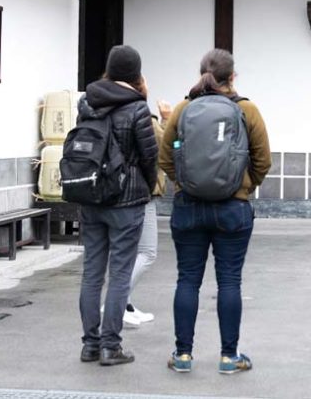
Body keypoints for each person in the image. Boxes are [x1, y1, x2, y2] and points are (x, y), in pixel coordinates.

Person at [159, 48, 271, 375]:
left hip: (189, 207)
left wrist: (185, 183)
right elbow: (264, 160)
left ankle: (182, 355)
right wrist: (242, 187)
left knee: (188, 279)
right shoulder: (247, 110)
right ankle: (228, 357)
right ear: (233, 77)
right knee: (230, 281)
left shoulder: (183, 108)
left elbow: (165, 158)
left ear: (201, 75)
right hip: (233, 209)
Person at [76, 45, 158, 366]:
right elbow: (149, 157)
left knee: (91, 273)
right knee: (120, 273)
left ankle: (89, 345)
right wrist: (146, 188)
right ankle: (111, 345)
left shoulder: (87, 103)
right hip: (127, 202)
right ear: (136, 73)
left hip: (91, 197)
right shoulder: (137, 109)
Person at [123, 99, 172, 327]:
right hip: (143, 192)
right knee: (147, 252)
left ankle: (126, 304)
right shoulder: (144, 118)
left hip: (118, 193)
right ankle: (118, 301)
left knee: (126, 253)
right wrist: (166, 118)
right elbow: (167, 148)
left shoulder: (109, 113)